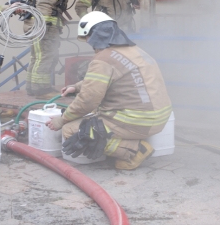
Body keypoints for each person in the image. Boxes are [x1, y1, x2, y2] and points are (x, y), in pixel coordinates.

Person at [47, 11, 172, 170]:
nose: (88, 42)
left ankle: (134, 151)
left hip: (137, 120)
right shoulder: (136, 51)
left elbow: (88, 101)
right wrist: (77, 87)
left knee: (72, 129)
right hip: (159, 117)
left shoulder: (103, 58)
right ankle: (131, 140)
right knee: (93, 119)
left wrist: (61, 120)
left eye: (86, 37)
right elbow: (111, 77)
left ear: (93, 35)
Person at [25, 0, 84, 98]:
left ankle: (32, 87)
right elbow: (44, 5)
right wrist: (42, 27)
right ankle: (42, 90)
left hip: (35, 24)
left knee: (37, 57)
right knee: (46, 56)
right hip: (45, 27)